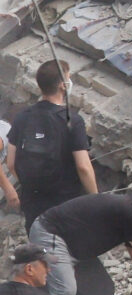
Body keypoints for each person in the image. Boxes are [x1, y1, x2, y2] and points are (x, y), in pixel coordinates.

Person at [10, 60, 94, 233]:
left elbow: (11, 163)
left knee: (40, 253)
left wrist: (31, 185)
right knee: (72, 253)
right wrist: (96, 199)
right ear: (63, 86)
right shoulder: (73, 121)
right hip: (65, 205)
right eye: (69, 78)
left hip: (32, 203)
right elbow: (84, 167)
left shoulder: (22, 117)